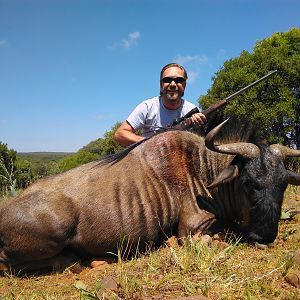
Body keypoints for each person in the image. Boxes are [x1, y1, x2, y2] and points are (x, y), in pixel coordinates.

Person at [114, 63, 206, 147]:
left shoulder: (192, 110)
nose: (173, 84)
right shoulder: (147, 107)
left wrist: (198, 127)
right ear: (161, 85)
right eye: (167, 80)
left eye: (179, 80)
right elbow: (120, 134)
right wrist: (154, 143)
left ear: (184, 85)